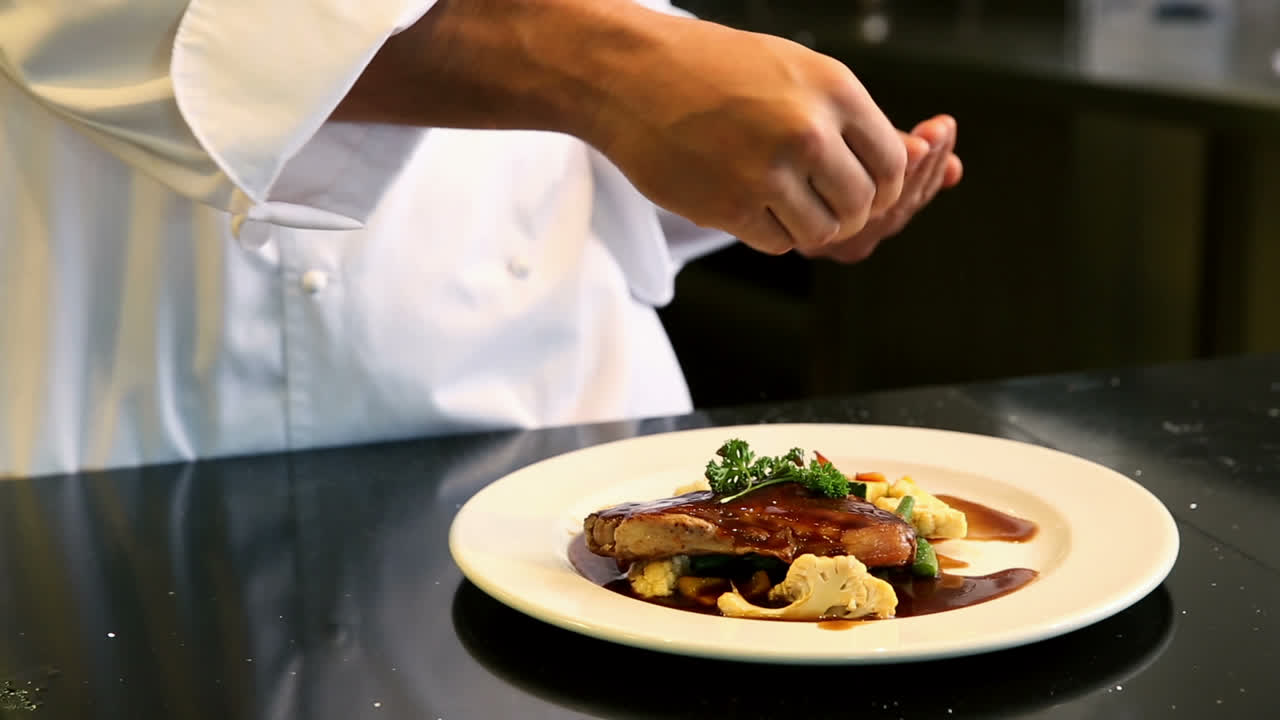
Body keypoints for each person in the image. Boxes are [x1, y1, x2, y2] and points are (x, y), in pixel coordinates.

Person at [0, 0, 962, 478]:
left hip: (576, 432)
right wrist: (611, 74)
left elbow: (618, 60)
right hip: (169, 454)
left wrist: (781, 178)